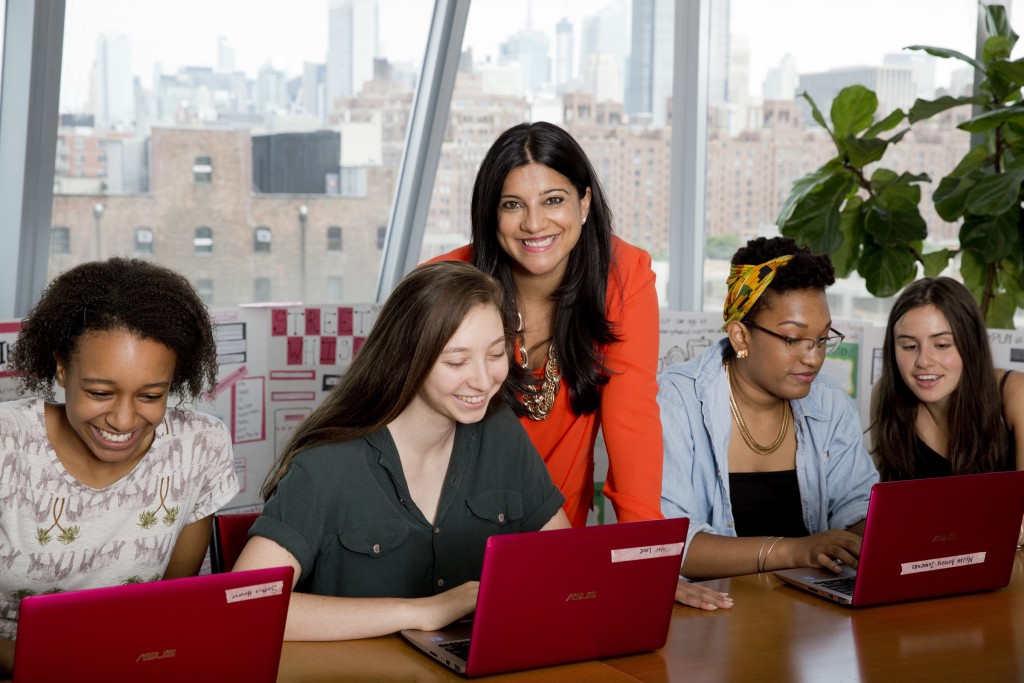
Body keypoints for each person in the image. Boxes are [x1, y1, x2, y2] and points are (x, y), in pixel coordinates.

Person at [232, 261, 570, 641]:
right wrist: (422, 611)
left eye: (495, 354)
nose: (483, 379)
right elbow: (245, 608)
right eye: (457, 361)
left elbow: (566, 565)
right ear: (409, 356)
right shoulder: (326, 466)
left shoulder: (500, 432)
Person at [0, 258, 239, 670]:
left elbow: (171, 604)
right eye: (99, 392)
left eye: (151, 396)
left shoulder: (199, 447)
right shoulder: (7, 444)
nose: (124, 420)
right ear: (61, 366)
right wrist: (61, 665)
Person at [430, 122, 663, 530]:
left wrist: (644, 556)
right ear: (491, 213)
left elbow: (633, 424)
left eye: (552, 200)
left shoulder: (625, 275)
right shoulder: (442, 283)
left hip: (558, 538)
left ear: (584, 202)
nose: (534, 224)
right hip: (448, 536)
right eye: (512, 205)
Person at [658, 236, 880, 590]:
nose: (814, 357)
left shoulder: (829, 401)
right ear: (741, 337)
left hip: (812, 620)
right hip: (710, 622)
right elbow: (671, 544)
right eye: (793, 339)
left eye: (822, 339)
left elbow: (857, 507)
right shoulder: (676, 403)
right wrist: (794, 552)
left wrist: (875, 535)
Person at [870, 277, 1024, 543]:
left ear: (970, 344)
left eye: (942, 345)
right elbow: (890, 513)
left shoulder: (1015, 393)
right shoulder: (885, 394)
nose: (923, 361)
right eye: (909, 346)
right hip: (923, 565)